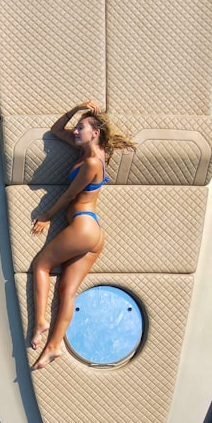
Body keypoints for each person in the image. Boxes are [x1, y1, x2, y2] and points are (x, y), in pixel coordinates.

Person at [29, 102, 136, 369]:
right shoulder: (94, 152)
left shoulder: (91, 163)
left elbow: (69, 195)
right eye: (76, 127)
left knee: (42, 265)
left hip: (83, 225)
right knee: (67, 291)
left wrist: (46, 216)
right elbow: (56, 130)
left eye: (81, 128)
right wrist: (77, 109)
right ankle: (53, 347)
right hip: (92, 232)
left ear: (95, 133)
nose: (75, 131)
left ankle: (41, 320)